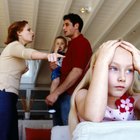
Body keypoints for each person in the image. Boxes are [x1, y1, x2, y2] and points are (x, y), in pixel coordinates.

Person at [0, 20, 64, 140]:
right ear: (19, 32)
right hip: (3, 93)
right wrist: (47, 56)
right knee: (4, 134)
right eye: (28, 30)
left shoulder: (17, 51)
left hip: (10, 95)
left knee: (11, 135)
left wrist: (22, 70)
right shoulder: (14, 45)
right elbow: (27, 52)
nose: (33, 32)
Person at [69, 40, 140, 134]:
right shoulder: (82, 94)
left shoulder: (134, 100)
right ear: (96, 70)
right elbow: (94, 116)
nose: (122, 78)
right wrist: (102, 62)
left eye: (129, 70)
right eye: (113, 68)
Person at [45, 13, 92, 125]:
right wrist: (54, 69)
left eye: (66, 24)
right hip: (63, 94)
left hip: (71, 94)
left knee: (68, 131)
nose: (63, 28)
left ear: (76, 26)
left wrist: (55, 93)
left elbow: (77, 71)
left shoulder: (82, 43)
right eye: (63, 25)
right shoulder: (71, 45)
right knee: (58, 130)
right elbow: (66, 71)